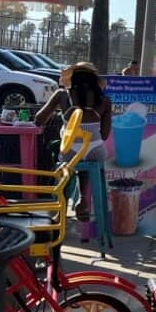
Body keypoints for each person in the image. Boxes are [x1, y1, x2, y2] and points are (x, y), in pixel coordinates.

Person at [35, 63, 112, 223]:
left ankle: (60, 208)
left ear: (71, 79)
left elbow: (38, 120)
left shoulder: (62, 95)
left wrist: (60, 112)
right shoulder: (104, 100)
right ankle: (83, 201)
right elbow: (104, 135)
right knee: (86, 162)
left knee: (67, 166)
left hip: (69, 150)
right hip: (95, 150)